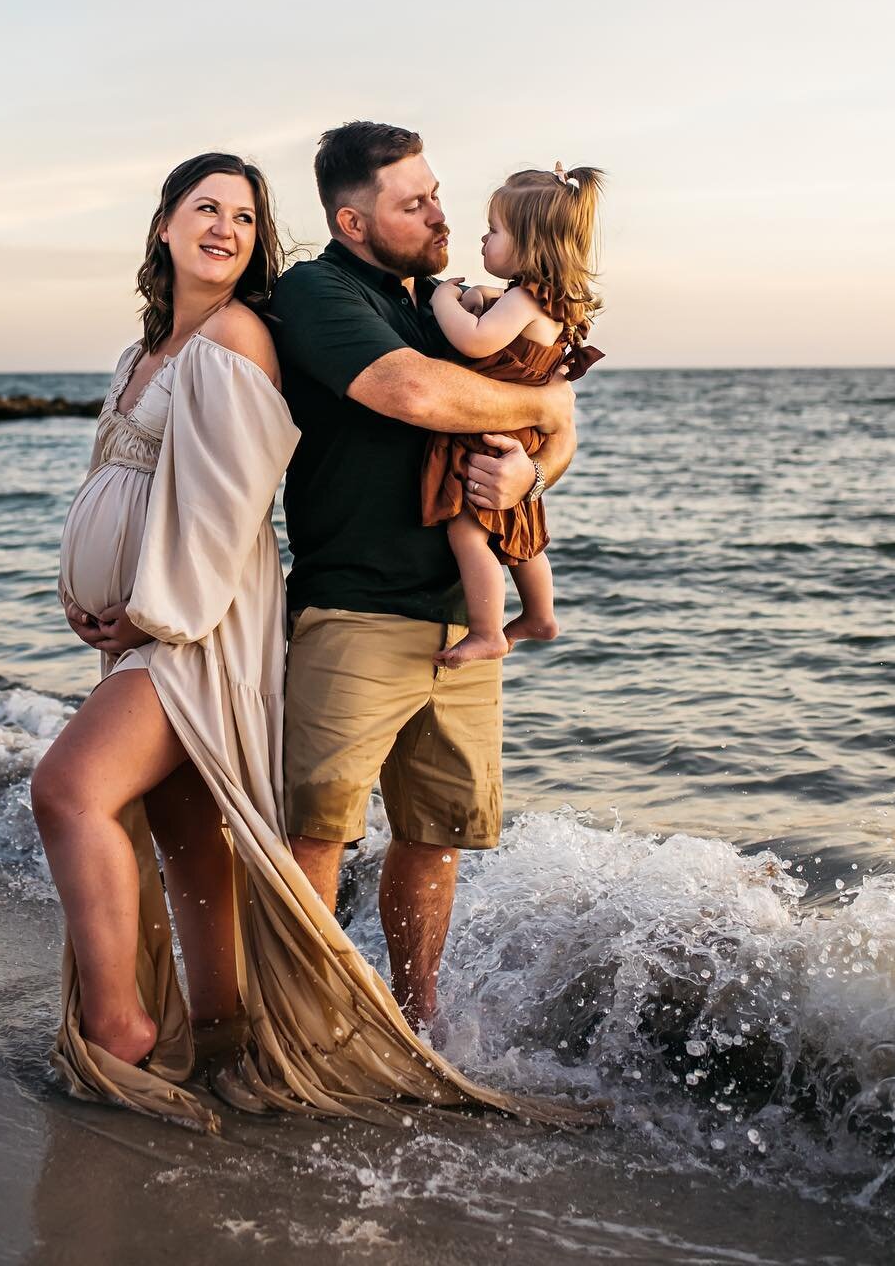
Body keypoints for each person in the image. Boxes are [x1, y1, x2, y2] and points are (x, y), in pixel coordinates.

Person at [30, 150, 592, 1134]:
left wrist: (544, 449)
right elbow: (407, 398)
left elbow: (234, 501)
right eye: (205, 209)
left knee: (93, 798)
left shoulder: (351, 317)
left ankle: (198, 1030)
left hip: (280, 621)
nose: (226, 230)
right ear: (161, 224)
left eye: (244, 216)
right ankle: (262, 1034)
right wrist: (92, 591)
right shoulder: (247, 320)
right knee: (234, 836)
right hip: (237, 618)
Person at [268, 122, 578, 1028]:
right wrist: (547, 405)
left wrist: (533, 468)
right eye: (415, 203)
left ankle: (417, 1021)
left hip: (460, 616)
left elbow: (547, 446)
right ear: (353, 220)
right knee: (320, 829)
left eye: (438, 193)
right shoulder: (318, 291)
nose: (440, 213)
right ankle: (303, 1024)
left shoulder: (451, 302)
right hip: (355, 608)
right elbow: (413, 393)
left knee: (435, 833)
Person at [421, 163, 606, 666]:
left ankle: (486, 631)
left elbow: (475, 338)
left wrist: (443, 298)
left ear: (530, 245)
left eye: (495, 230)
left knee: (467, 530)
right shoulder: (543, 302)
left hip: (491, 433)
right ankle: (540, 614)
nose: (483, 238)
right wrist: (481, 295)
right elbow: (498, 311)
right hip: (519, 439)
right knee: (521, 527)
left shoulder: (523, 299)